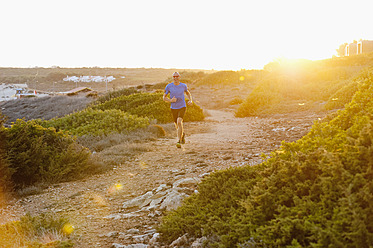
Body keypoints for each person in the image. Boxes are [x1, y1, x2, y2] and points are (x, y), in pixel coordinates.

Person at [163, 72, 193, 148]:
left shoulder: (183, 86)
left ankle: (179, 141)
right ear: (172, 77)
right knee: (177, 125)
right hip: (173, 108)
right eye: (174, 76)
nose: (175, 78)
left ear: (179, 77)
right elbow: (164, 98)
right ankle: (182, 135)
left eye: (177, 76)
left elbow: (188, 93)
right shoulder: (169, 86)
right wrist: (170, 100)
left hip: (182, 106)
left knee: (179, 122)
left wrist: (190, 100)